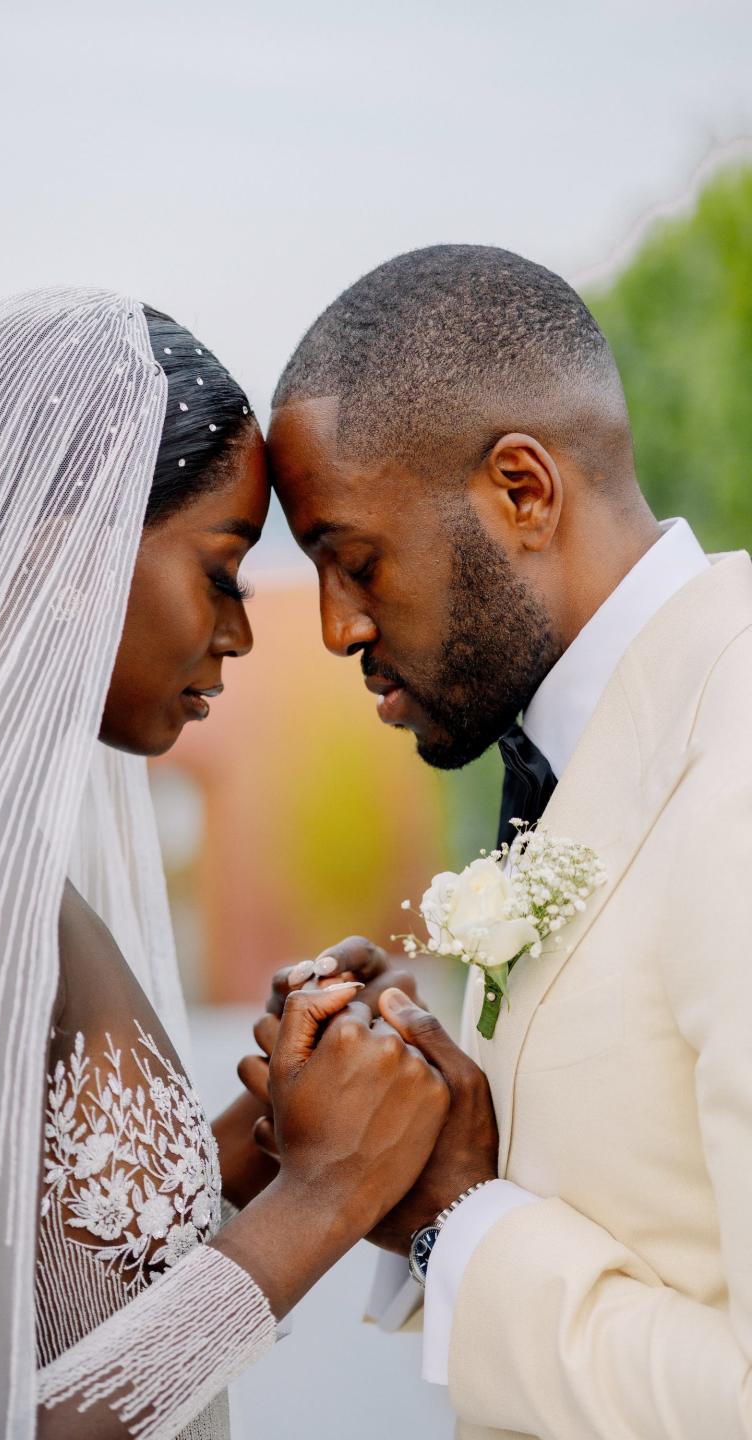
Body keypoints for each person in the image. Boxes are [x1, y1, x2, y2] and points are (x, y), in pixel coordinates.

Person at [0, 287, 450, 1440]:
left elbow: (47, 1255)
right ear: (68, 556)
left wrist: (270, 1139)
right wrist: (322, 1203)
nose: (243, 631)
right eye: (225, 568)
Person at [261, 244, 752, 1439]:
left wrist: (459, 1220)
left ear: (523, 491)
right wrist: (422, 1097)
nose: (334, 628)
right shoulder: (584, 745)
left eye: (353, 559)